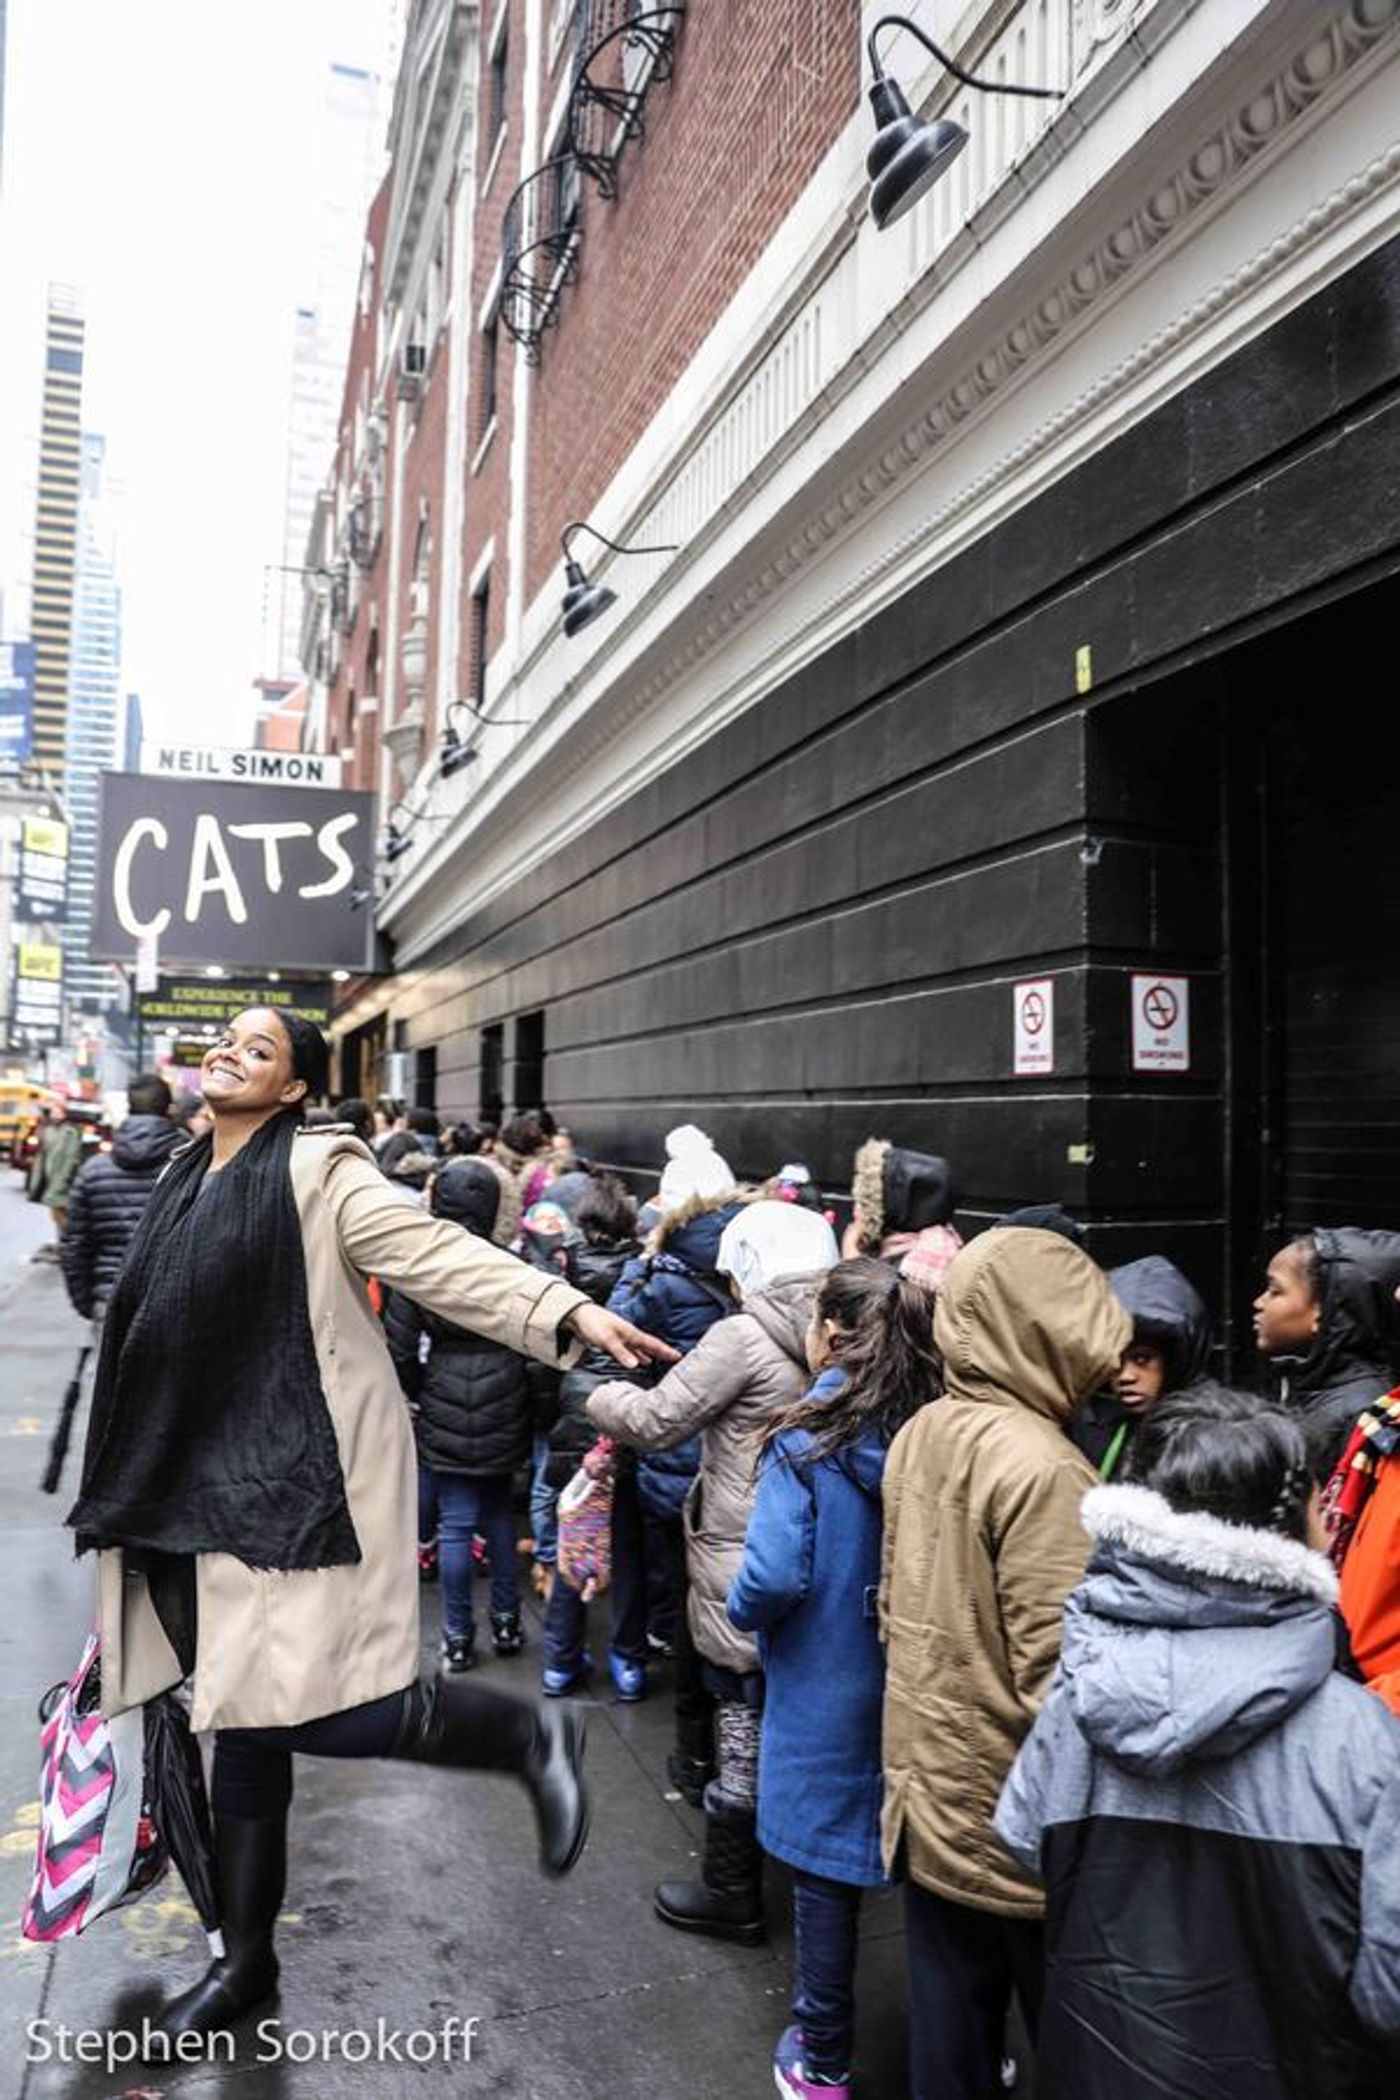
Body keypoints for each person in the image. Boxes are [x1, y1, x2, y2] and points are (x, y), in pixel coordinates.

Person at [64, 1007, 673, 2046]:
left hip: (289, 1476)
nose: (229, 1053)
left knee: (303, 1710)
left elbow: (441, 1255)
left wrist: (564, 1311)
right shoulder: (181, 1172)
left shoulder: (323, 1172)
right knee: (243, 1724)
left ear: (297, 1087)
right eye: (224, 1041)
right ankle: (245, 1964)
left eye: (258, 1049)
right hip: (189, 1481)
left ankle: (529, 1733)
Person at [997, 1386, 1400, 2099]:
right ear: (1295, 1529)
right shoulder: (1365, 1740)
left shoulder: (1078, 1701)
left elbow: (1025, 1843)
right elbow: (1387, 1991)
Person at [880, 1225, 1131, 2100]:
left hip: (927, 1793)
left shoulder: (926, 1429)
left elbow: (894, 1605)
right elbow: (1064, 1682)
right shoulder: (1046, 1469)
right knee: (1077, 2046)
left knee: (950, 2032)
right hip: (1021, 1822)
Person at [589, 1201, 839, 1944]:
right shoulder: (855, 1324)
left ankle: (733, 1888)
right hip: (829, 1548)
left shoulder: (744, 1336)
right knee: (797, 1700)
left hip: (744, 1549)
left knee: (739, 1703)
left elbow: (658, 1420)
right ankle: (804, 1854)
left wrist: (599, 1395)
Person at [729, 1258, 943, 2100]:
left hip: (825, 1670)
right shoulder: (942, 1425)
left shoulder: (807, 1436)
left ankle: (822, 2058)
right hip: (922, 1670)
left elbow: (774, 1573)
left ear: (831, 1332)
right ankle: (962, 2045)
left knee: (822, 1869)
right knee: (932, 1859)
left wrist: (745, 1609)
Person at [593, 1164, 747, 1778]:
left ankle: (672, 1708)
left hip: (669, 1446)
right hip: (729, 1461)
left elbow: (622, 1344)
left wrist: (644, 1261)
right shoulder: (743, 1266)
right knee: (709, 1586)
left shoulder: (661, 1275)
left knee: (660, 1569)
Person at [384, 1159, 534, 1670]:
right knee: (497, 1516)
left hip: (445, 1386)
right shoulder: (511, 1265)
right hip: (505, 1386)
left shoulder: (421, 1264)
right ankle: (508, 1623)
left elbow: (399, 1346)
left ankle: (456, 1635)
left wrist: (420, 1392)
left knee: (454, 1523)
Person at [540, 1176, 645, 1698]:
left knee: (572, 1540)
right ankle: (627, 1663)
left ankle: (560, 1661)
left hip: (575, 1410)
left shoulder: (564, 1268)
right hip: (627, 1411)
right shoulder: (644, 1269)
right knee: (625, 1547)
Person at [1253, 1227, 1400, 1476]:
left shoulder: (1363, 1412)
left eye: (1275, 1291)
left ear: (1323, 1310)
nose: (1259, 1303)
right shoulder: (1305, 1383)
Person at [1071, 1254, 1210, 1479]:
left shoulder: (1208, 1436)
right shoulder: (1095, 1425)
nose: (1125, 1376)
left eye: (1142, 1359)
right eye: (1116, 1359)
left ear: (1174, 1359)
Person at [60, 1074, 181, 1323]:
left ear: (129, 1107)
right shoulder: (194, 1165)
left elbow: (74, 1244)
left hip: (110, 1299)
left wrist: (88, 1302)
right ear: (170, 1109)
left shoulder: (93, 1171)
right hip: (175, 1306)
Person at [843, 1138, 963, 1294]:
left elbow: (879, 1311)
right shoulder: (893, 1246)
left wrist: (850, 1257)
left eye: (865, 1204)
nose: (856, 1211)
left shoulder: (924, 1259)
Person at [28, 1091, 83, 1258]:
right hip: (50, 1178)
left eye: (56, 1109)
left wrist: (62, 1181)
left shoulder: (69, 1132)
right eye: (52, 1109)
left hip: (61, 1181)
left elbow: (70, 1159)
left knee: (62, 1216)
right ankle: (65, 1246)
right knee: (57, 1214)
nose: (53, 1112)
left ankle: (69, 1248)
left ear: (63, 1112)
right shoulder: (50, 1129)